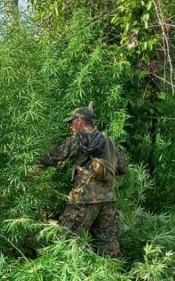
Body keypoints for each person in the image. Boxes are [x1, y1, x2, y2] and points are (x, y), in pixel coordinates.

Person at [33, 106, 129, 257]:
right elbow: (123, 167)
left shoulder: (76, 140)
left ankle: (62, 274)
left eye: (71, 122)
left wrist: (29, 172)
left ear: (79, 121)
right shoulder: (108, 142)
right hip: (108, 199)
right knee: (108, 245)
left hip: (83, 199)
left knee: (66, 240)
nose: (71, 126)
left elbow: (51, 157)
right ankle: (112, 274)